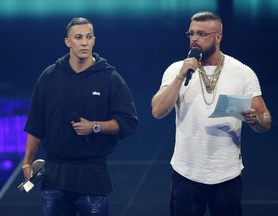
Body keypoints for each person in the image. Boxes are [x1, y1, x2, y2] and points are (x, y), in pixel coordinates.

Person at [151, 11, 271, 216]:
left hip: (227, 174)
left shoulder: (242, 72)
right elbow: (158, 111)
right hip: (186, 173)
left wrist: (255, 120)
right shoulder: (176, 70)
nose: (195, 39)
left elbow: (265, 120)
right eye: (191, 33)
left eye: (201, 34)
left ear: (218, 37)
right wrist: (181, 76)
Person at [22, 17, 138, 216]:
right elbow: (36, 125)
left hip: (91, 177)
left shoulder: (110, 78)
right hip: (54, 178)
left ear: (94, 41)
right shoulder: (49, 77)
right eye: (78, 37)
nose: (84, 42)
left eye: (89, 37)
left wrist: (94, 126)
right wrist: (26, 162)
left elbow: (128, 122)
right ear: (68, 42)